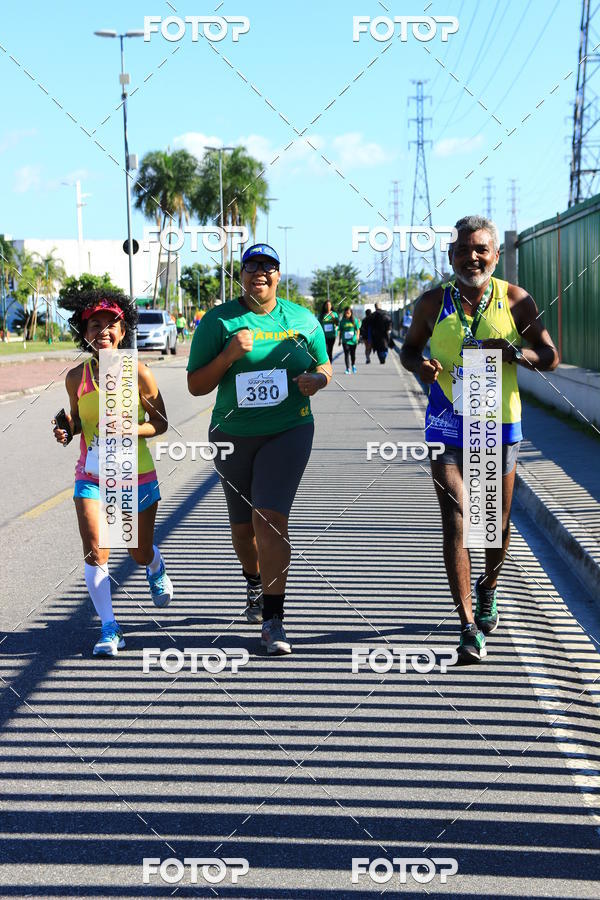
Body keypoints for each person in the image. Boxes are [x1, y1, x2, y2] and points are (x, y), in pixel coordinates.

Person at [401, 214, 558, 663]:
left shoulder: (515, 300)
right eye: (463, 250)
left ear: (494, 254)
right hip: (447, 422)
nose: (472, 257)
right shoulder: (433, 302)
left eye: (480, 249)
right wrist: (421, 366)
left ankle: (489, 586)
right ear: (451, 256)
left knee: (493, 528)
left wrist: (516, 354)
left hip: (497, 424)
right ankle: (468, 627)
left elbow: (549, 356)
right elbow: (410, 349)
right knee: (458, 516)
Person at [187, 243, 332, 655]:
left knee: (269, 519)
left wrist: (318, 381)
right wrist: (230, 353)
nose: (260, 274)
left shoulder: (301, 319)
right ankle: (253, 580)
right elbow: (196, 386)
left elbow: (324, 365)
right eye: (252, 267)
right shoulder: (218, 321)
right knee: (242, 530)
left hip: (289, 429)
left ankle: (274, 620)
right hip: (232, 434)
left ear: (279, 276)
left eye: (268, 267)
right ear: (242, 274)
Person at [52, 290, 173, 657]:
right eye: (95, 324)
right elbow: (75, 422)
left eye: (111, 324)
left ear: (123, 330)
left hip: (135, 476)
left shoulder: (138, 372)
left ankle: (153, 564)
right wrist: (65, 429)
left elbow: (161, 423)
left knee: (135, 550)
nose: (103, 330)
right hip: (91, 475)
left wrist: (130, 429)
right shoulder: (77, 377)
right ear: (85, 333)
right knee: (95, 551)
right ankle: (110, 627)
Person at [338, 307, 360, 374]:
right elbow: (340, 331)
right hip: (345, 341)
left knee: (353, 354)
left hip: (353, 341)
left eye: (348, 313)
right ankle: (347, 368)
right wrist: (339, 340)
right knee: (346, 354)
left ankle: (353, 365)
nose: (347, 314)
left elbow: (357, 329)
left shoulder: (354, 320)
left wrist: (357, 336)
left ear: (351, 313)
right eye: (346, 313)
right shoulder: (342, 321)